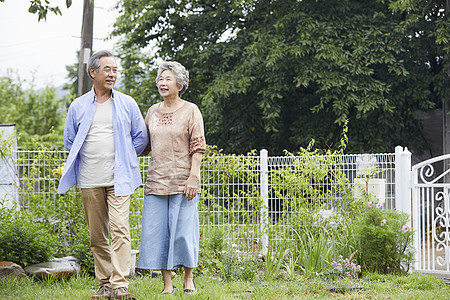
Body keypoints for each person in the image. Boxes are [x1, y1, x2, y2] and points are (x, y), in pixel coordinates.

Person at [57, 50, 148, 300]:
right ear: (93, 72)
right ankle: (105, 284)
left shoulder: (127, 103)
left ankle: (119, 284)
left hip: (120, 179)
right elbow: (69, 140)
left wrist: (126, 158)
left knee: (120, 229)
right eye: (107, 69)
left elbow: (140, 138)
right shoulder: (78, 106)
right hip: (89, 178)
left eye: (115, 70)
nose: (112, 74)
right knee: (97, 235)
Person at [138, 61, 206, 295]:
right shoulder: (152, 111)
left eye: (167, 79)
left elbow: (197, 146)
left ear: (180, 83)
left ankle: (188, 278)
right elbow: (142, 144)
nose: (162, 83)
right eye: (160, 79)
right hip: (157, 181)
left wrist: (194, 176)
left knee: (183, 233)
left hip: (183, 182)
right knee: (158, 234)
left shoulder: (191, 110)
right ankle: (167, 284)